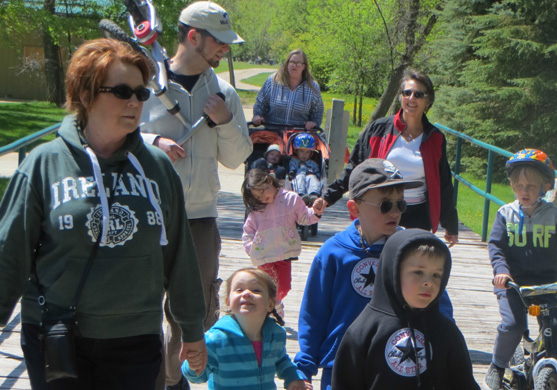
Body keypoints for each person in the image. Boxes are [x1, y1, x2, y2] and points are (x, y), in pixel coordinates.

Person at [0, 38, 207, 389]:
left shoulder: (157, 168)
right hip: (59, 333)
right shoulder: (43, 164)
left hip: (135, 338)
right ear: (85, 95)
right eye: (122, 91)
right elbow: (9, 255)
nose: (134, 102)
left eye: (141, 94)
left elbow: (179, 256)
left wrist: (191, 328)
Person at [138, 2, 252, 388]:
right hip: (147, 218)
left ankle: (172, 381)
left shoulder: (224, 93)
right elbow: (116, 134)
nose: (225, 50)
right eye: (219, 42)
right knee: (141, 307)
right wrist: (154, 142)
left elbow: (237, 158)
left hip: (200, 220)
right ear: (193, 36)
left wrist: (224, 122)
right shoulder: (146, 83)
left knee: (193, 312)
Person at [295, 158, 423, 389]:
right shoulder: (334, 252)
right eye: (385, 205)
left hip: (395, 362)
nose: (394, 212)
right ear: (355, 209)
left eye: (400, 205)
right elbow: (314, 312)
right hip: (342, 364)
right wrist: (304, 367)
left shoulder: (412, 250)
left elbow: (437, 306)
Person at [483, 148, 557, 390]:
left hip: (545, 284)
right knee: (513, 325)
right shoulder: (506, 215)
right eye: (519, 186)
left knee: (555, 327)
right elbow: (496, 246)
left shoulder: (554, 216)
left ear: (545, 187)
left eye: (531, 186)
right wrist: (501, 271)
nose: (524, 191)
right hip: (513, 284)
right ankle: (498, 365)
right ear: (512, 186)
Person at [322, 69, 459, 248]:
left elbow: (444, 184)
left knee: (411, 269)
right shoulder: (378, 129)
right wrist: (327, 197)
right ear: (401, 97)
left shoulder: (435, 138)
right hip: (380, 210)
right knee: (377, 264)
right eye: (406, 93)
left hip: (418, 214)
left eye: (418, 94)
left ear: (428, 101)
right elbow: (355, 168)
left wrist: (450, 224)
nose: (411, 98)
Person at [332, 229, 480, 389]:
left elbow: (464, 383)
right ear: (392, 271)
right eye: (418, 272)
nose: (429, 282)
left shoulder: (447, 332)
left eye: (436, 275)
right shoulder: (364, 331)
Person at [182, 268, 309, 390]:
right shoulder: (217, 339)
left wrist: (293, 378)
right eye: (239, 289)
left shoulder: (275, 335)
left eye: (256, 290)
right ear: (228, 302)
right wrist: (194, 365)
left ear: (270, 304)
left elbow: (281, 361)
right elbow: (197, 377)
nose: (246, 293)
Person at [242, 168, 326, 317]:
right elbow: (248, 231)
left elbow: (305, 218)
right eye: (258, 196)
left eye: (264, 191)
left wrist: (316, 211)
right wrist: (251, 247)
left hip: (284, 252)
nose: (263, 198)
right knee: (266, 285)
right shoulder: (258, 209)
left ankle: (275, 303)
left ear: (269, 181)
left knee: (284, 286)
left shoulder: (291, 199)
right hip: (264, 254)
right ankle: (266, 310)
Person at [252, 49, 324, 129]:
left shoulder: (312, 87)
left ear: (304, 66)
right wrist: (257, 115)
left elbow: (318, 112)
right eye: (292, 62)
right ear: (287, 64)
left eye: (298, 63)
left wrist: (314, 123)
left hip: (299, 136)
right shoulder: (273, 81)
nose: (294, 65)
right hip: (273, 133)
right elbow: (260, 103)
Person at [289, 133, 322, 204]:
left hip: (310, 175)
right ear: (296, 151)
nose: (304, 154)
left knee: (313, 179)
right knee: (300, 178)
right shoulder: (294, 161)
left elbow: (317, 172)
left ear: (311, 153)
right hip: (298, 175)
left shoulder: (312, 163)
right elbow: (292, 168)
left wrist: (318, 176)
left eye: (307, 152)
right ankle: (301, 194)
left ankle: (314, 194)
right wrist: (292, 172)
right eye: (301, 151)